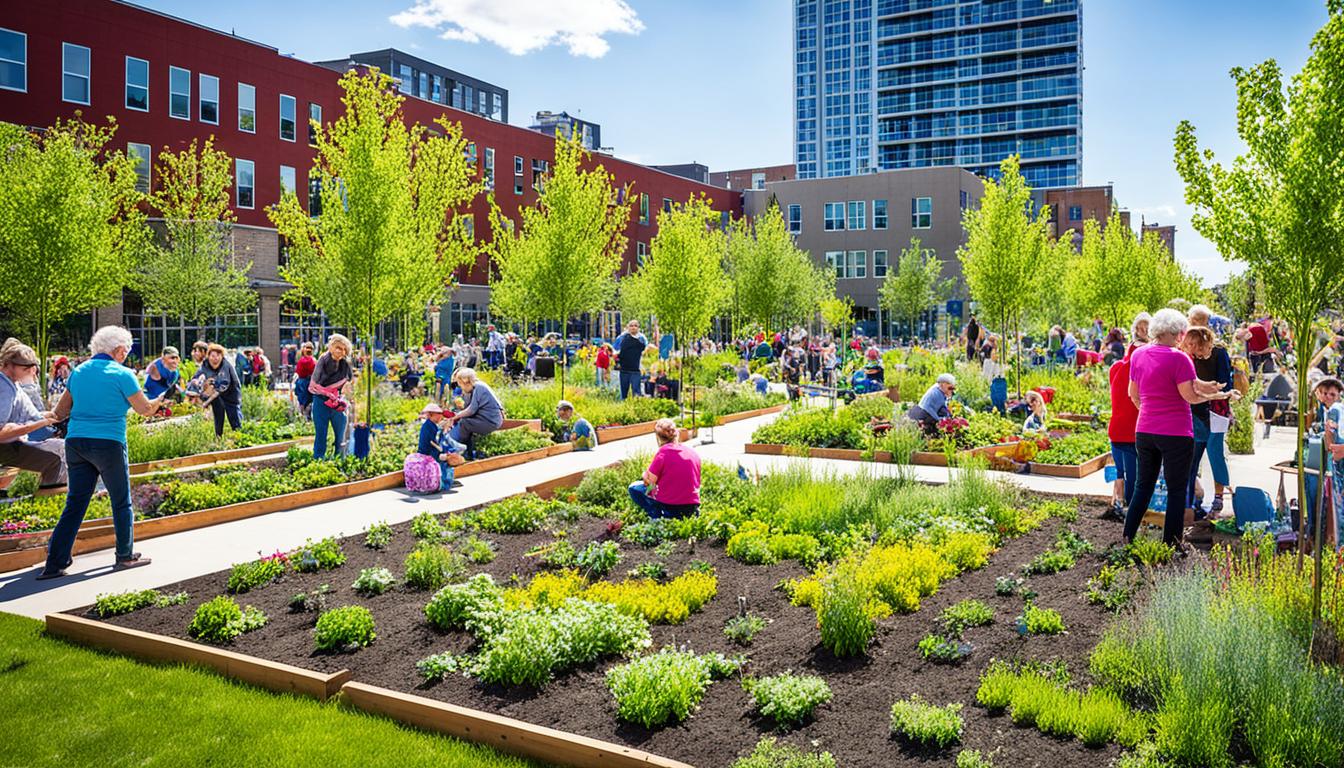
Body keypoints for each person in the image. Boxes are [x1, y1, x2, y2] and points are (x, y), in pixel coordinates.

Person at [39, 326, 165, 579]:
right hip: (108, 442)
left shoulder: (79, 371)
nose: (126, 356)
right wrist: (159, 400)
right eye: (126, 351)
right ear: (118, 350)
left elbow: (61, 412)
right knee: (120, 501)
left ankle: (54, 563)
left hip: (76, 442)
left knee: (75, 503)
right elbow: (144, 410)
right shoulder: (123, 374)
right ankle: (125, 555)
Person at [1122, 309, 1238, 547]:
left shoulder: (1138, 355)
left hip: (1144, 429)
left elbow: (1133, 394)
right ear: (1177, 333)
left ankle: (1127, 537)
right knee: (1176, 490)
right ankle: (1172, 543)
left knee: (1142, 487)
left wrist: (1209, 387)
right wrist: (1216, 396)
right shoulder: (1179, 358)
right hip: (1175, 432)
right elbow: (1189, 395)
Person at [1185, 306, 1234, 517]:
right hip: (1193, 411)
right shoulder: (1185, 352)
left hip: (1215, 410)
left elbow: (1225, 383)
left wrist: (1205, 390)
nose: (1197, 326)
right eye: (1193, 321)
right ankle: (1190, 500)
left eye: (1201, 321)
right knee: (1191, 458)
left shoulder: (1219, 352)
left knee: (1215, 454)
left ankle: (1218, 497)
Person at [0, 339, 66, 492]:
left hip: (13, 443)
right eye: (26, 367)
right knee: (53, 461)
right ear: (9, 365)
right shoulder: (5, 390)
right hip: (6, 447)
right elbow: (1, 433)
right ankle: (46, 503)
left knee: (61, 448)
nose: (31, 371)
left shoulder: (12, 383)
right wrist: (38, 424)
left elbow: (32, 415)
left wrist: (53, 415)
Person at [627, 419, 701, 519]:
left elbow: (650, 484)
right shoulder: (693, 453)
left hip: (670, 507)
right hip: (692, 506)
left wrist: (645, 475)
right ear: (677, 433)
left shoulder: (663, 453)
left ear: (658, 438)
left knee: (634, 488)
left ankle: (656, 516)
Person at [1108, 337, 1143, 519]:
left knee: (1121, 473)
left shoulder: (1115, 367)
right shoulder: (1144, 370)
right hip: (1135, 433)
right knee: (1135, 478)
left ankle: (1119, 505)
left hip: (1116, 430)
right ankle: (1131, 516)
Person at [309, 334, 353, 460]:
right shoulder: (323, 360)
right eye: (338, 347)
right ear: (331, 347)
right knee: (321, 434)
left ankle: (340, 460)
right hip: (321, 402)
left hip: (337, 403)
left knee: (340, 435)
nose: (341, 351)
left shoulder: (346, 364)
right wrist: (328, 392)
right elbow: (313, 385)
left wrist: (343, 394)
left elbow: (349, 381)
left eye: (344, 349)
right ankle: (318, 461)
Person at [446, 367, 502, 459]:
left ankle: (461, 449)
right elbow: (466, 407)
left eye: (460, 384)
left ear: (466, 382)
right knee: (465, 422)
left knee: (465, 423)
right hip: (483, 419)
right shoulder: (472, 389)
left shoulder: (479, 387)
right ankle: (468, 452)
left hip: (490, 421)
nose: (460, 387)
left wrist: (456, 416)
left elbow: (471, 410)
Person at [415, 402, 464, 492]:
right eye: (438, 414)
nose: (441, 416)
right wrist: (444, 454)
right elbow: (436, 444)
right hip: (428, 454)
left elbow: (441, 441)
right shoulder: (428, 427)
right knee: (446, 460)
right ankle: (444, 483)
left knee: (453, 454)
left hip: (434, 451)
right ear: (430, 415)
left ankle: (448, 480)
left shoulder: (433, 425)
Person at [197, 343, 242, 437]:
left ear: (222, 356)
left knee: (234, 415)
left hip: (230, 392)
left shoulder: (225, 366)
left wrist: (206, 402)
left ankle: (240, 436)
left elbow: (222, 387)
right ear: (208, 356)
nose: (215, 358)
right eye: (213, 356)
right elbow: (198, 378)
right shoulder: (205, 365)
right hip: (216, 393)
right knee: (218, 414)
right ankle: (218, 437)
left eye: (218, 355)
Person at [614, 320, 649, 400]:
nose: (633, 327)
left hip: (636, 370)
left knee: (636, 394)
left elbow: (646, 350)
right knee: (624, 394)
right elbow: (616, 350)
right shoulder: (622, 338)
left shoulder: (642, 339)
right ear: (628, 327)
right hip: (624, 370)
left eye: (635, 326)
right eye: (631, 325)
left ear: (638, 328)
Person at [293, 342, 316, 418]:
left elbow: (298, 371)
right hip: (308, 382)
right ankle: (306, 415)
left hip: (302, 382)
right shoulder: (313, 360)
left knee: (302, 400)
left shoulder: (301, 360)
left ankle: (302, 415)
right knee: (308, 400)